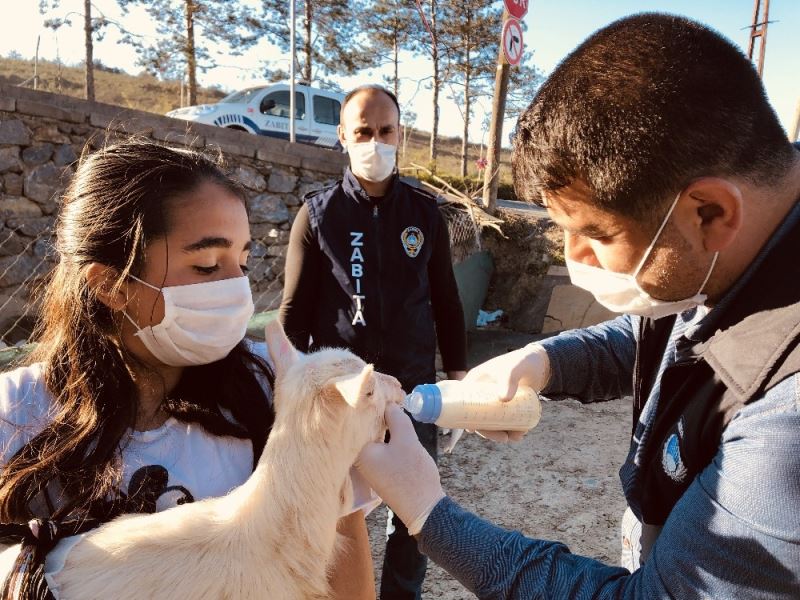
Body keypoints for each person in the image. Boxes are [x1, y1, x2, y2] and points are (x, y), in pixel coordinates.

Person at [355, 13, 800, 599]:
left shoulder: (787, 423)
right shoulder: (735, 252)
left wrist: (427, 511)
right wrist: (544, 362)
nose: (575, 257)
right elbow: (664, 334)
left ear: (711, 213)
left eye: (596, 233)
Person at [0, 139, 374, 599]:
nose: (237, 288)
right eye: (205, 265)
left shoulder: (281, 391)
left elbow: (344, 568)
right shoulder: (15, 412)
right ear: (110, 284)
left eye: (241, 261)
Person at [280, 84, 468, 599]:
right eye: (363, 131)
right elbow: (293, 314)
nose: (375, 141)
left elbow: (447, 300)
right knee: (336, 507)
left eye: (385, 131)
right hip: (342, 392)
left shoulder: (426, 214)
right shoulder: (317, 216)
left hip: (412, 389)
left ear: (400, 135)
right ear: (342, 136)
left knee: (415, 512)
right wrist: (286, 388)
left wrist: (457, 379)